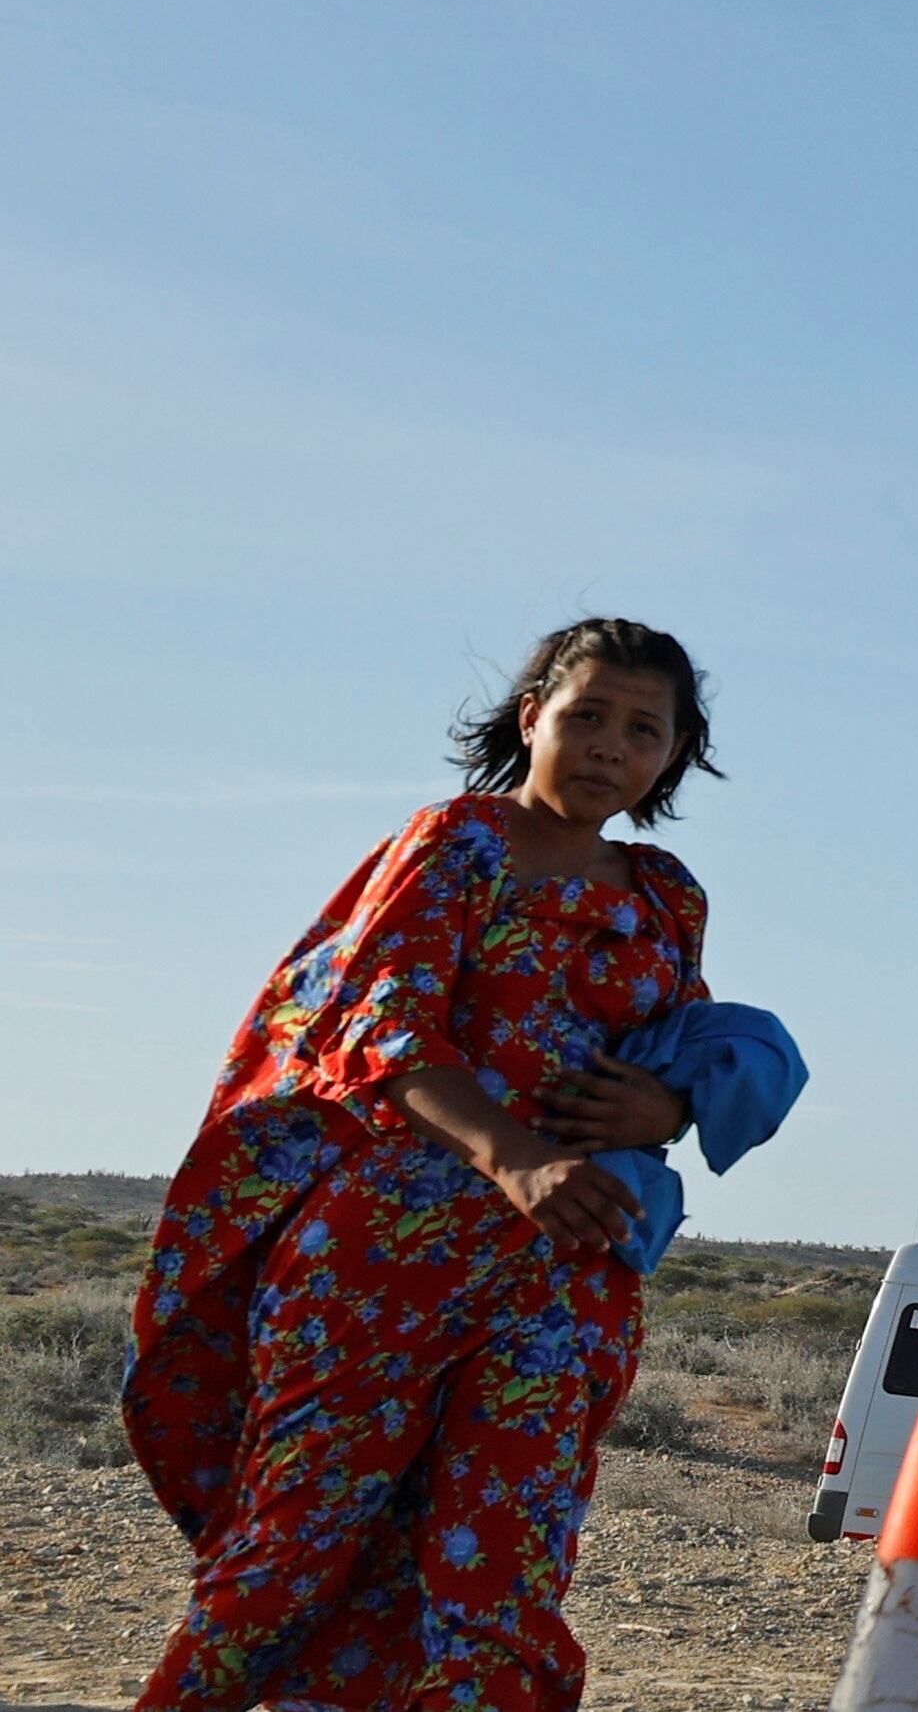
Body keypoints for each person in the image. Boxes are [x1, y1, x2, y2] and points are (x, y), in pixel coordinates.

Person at [128, 620, 734, 1710]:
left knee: (505, 1578)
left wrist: (671, 1102)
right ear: (531, 716)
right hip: (386, 1255)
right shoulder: (457, 840)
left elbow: (679, 1049)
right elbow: (382, 1028)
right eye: (586, 713)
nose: (608, 744)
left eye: (643, 729)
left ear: (673, 754)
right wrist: (518, 1158)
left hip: (568, 1268)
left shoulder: (666, 895)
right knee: (290, 1551)